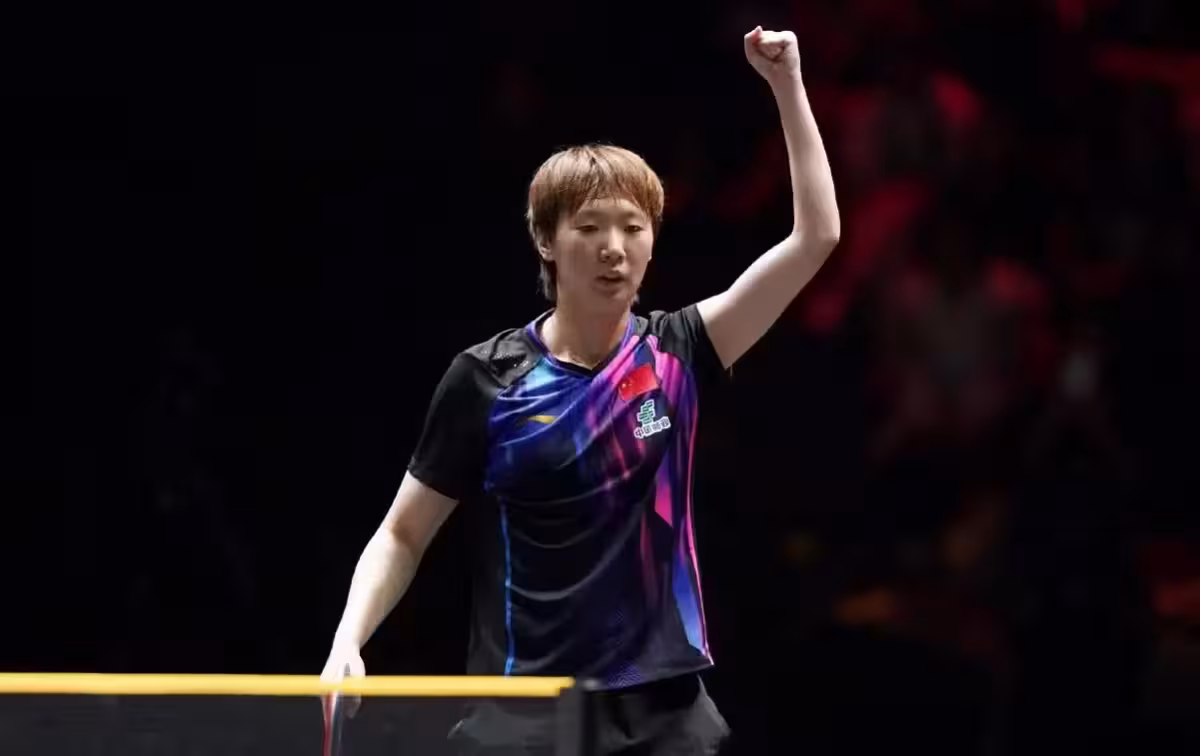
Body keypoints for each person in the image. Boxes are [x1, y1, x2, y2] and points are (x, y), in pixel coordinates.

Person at [320, 26, 840, 755]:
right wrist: (348, 639)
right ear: (545, 240)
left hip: (664, 713)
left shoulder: (680, 352)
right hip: (528, 716)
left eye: (633, 227)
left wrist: (787, 84)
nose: (613, 248)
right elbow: (403, 533)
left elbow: (816, 238)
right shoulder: (487, 379)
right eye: (589, 227)